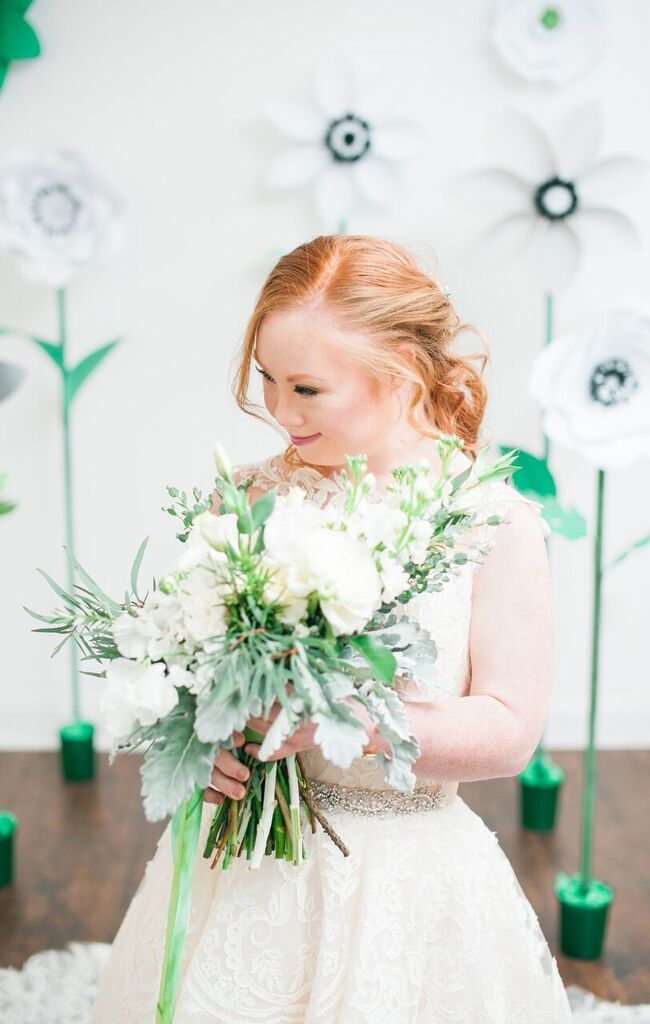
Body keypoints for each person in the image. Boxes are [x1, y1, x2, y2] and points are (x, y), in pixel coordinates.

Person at [90, 234, 574, 1022]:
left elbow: (510, 730)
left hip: (405, 871)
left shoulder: (491, 523)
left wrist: (342, 719)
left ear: (403, 376)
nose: (280, 412)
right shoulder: (244, 498)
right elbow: (190, 664)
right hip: (243, 859)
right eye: (267, 381)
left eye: (308, 389)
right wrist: (203, 742)